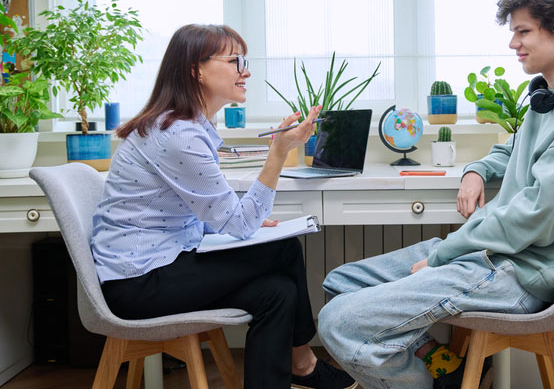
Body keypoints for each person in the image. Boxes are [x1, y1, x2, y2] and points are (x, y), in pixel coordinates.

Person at [317, 0, 554, 389]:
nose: (513, 43)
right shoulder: (552, 95)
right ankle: (443, 370)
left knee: (339, 322)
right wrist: (476, 170)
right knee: (340, 283)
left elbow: (536, 215)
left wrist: (441, 256)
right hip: (493, 255)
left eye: (523, 31)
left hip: (518, 270)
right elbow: (513, 150)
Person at [91, 24, 357, 389]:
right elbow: (240, 223)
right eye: (235, 61)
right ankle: (304, 364)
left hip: (160, 263)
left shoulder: (186, 126)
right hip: (138, 282)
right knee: (284, 249)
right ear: (196, 70)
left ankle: (299, 367)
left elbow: (192, 214)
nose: (245, 70)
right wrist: (279, 152)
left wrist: (239, 223)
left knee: (277, 292)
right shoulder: (179, 134)